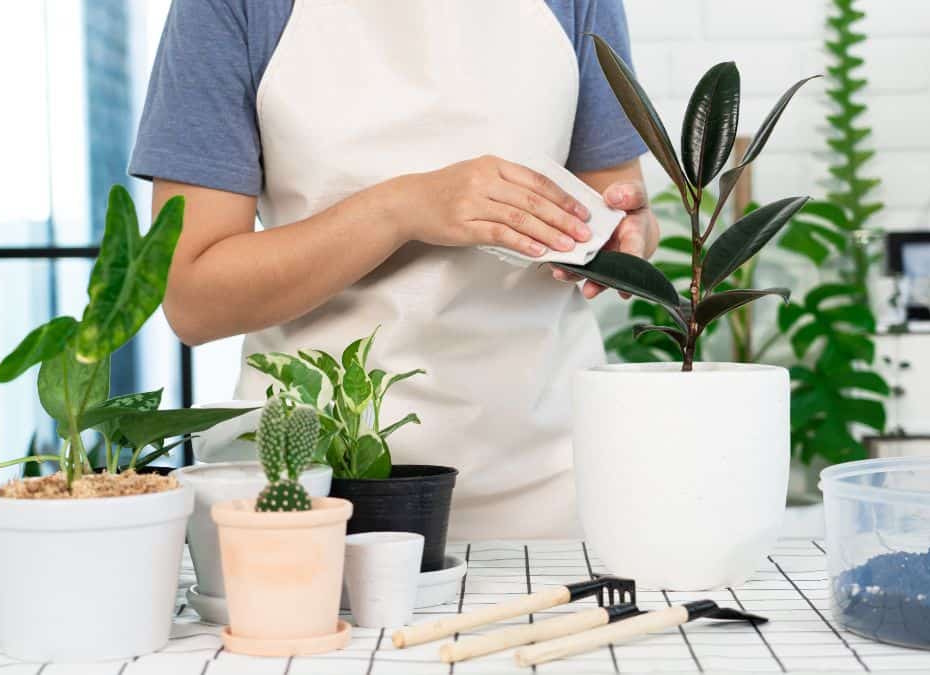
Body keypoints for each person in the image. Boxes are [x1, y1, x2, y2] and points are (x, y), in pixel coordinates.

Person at [130, 0, 659, 539]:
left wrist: (626, 232)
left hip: (551, 482)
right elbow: (194, 300)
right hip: (316, 488)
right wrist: (400, 209)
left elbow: (616, 202)